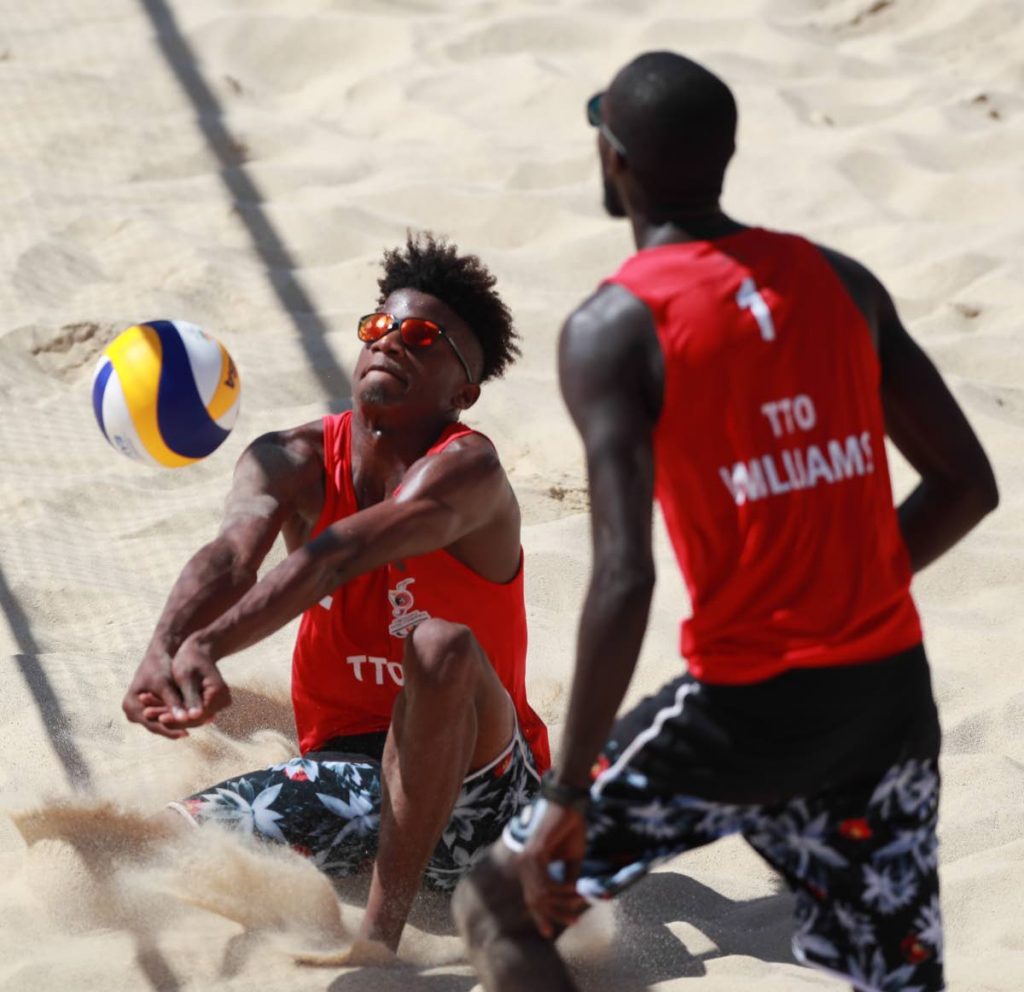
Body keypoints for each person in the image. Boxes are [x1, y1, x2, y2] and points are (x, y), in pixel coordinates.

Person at [453, 51, 998, 992]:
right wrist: (852, 592)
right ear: (729, 153)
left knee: (499, 904)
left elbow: (624, 577)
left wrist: (571, 790)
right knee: (899, 978)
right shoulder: (841, 282)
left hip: (745, 712)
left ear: (612, 158)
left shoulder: (614, 328)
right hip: (886, 699)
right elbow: (967, 483)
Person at [122, 232, 550, 954]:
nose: (390, 342)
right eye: (379, 326)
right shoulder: (289, 458)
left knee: (439, 643)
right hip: (351, 778)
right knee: (164, 844)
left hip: (492, 802)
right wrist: (163, 650)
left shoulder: (468, 471)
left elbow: (338, 556)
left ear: (463, 392)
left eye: (421, 336)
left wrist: (211, 643)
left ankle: (379, 938)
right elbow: (230, 559)